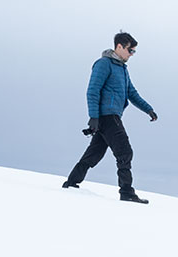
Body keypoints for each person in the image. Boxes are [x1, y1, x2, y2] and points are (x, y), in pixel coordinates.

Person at [63, 32, 157, 203]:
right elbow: (93, 90)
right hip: (107, 116)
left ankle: (71, 183)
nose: (132, 55)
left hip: (110, 116)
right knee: (125, 151)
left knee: (94, 153)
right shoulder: (103, 64)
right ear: (119, 46)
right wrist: (93, 117)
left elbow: (131, 93)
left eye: (134, 52)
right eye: (130, 50)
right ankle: (127, 192)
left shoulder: (122, 69)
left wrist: (148, 109)